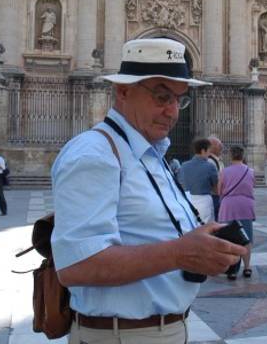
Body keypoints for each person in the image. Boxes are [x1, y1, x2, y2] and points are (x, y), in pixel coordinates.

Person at [50, 38, 246, 344]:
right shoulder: (94, 155)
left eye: (179, 99)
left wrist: (205, 244)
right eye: (161, 96)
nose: (172, 111)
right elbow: (76, 265)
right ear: (123, 91)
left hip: (163, 330)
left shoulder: (150, 155)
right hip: (120, 336)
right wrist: (181, 253)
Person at [218, 145, 256, 280]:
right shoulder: (250, 171)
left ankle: (232, 270)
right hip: (246, 206)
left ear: (231, 156)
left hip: (229, 206)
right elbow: (252, 187)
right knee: (245, 238)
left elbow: (219, 190)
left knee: (230, 237)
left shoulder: (224, 172)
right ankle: (247, 268)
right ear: (243, 156)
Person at [178, 138, 219, 223]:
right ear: (203, 151)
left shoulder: (184, 166)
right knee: (206, 228)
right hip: (204, 201)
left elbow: (180, 184)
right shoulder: (210, 166)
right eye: (209, 151)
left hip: (187, 200)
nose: (209, 154)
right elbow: (216, 188)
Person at [207, 135, 224, 218]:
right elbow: (213, 181)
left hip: (217, 196)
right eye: (218, 145)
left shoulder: (217, 160)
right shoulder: (210, 161)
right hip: (214, 196)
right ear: (211, 147)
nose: (221, 147)